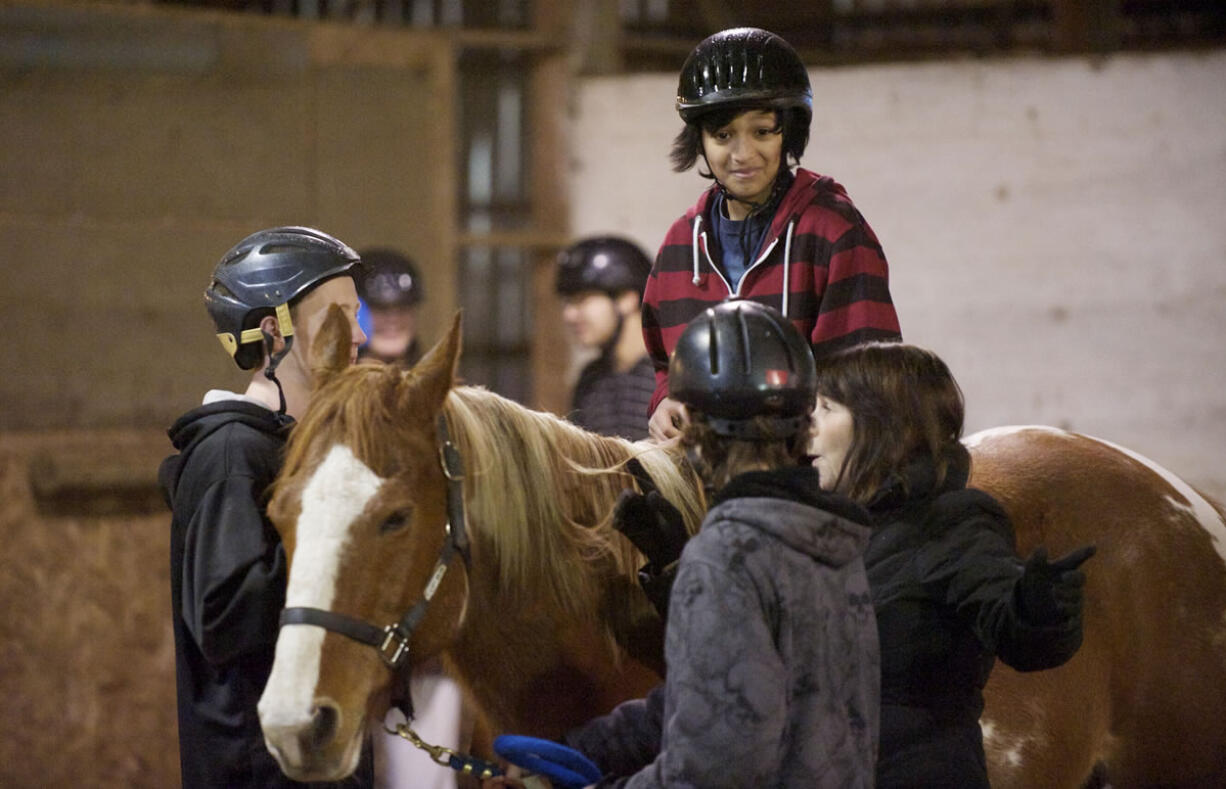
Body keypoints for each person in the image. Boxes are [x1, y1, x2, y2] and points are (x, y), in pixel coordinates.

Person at [490, 301, 881, 788]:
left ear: (696, 430)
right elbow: (712, 700)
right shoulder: (833, 541)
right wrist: (582, 749)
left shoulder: (725, 557)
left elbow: (716, 768)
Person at [809, 341, 1095, 787]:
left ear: (883, 428)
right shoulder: (831, 530)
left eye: (825, 408)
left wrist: (1039, 609)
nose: (807, 425)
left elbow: (1012, 627)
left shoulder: (953, 521)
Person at [158, 226, 374, 788]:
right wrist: (345, 531)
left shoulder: (291, 443)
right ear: (275, 331)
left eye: (357, 314)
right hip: (260, 770)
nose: (359, 335)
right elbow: (225, 618)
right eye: (339, 315)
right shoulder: (234, 452)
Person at [644, 26, 902, 441]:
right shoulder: (678, 246)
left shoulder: (834, 233)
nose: (742, 154)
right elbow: (663, 364)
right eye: (722, 135)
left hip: (811, 481)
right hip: (703, 480)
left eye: (762, 131)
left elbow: (868, 383)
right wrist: (663, 403)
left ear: (789, 133)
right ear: (700, 141)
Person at [555, 236, 656, 441]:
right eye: (568, 303)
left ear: (627, 299)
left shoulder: (673, 377)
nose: (569, 315)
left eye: (582, 300)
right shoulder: (590, 379)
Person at [356, 247, 424, 366]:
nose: (393, 319)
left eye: (403, 307)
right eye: (380, 308)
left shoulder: (441, 380)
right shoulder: (329, 382)